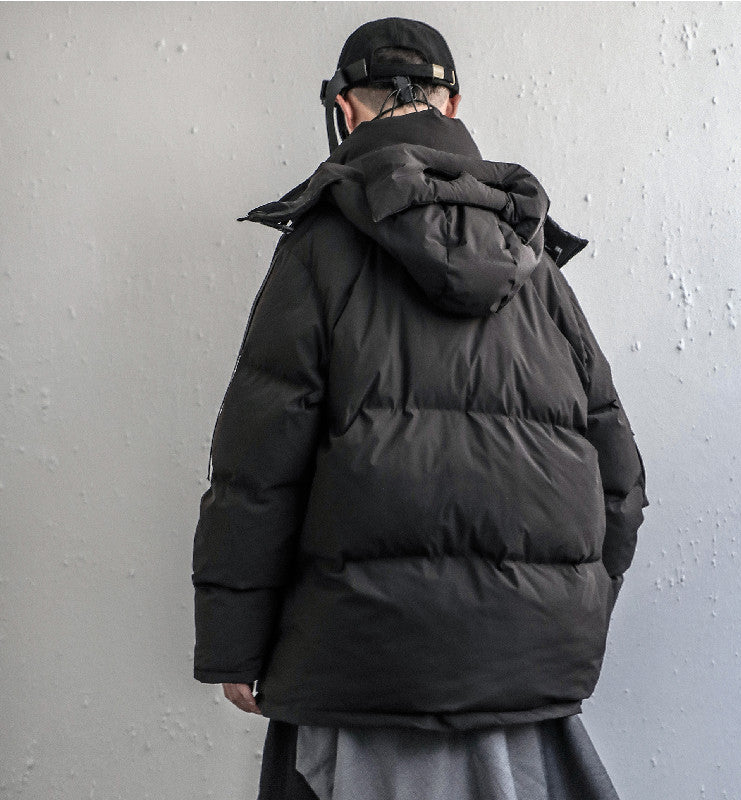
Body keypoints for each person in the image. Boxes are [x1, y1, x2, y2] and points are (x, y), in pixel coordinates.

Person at [192, 17, 648, 800]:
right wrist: (561, 613)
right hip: (524, 675)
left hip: (358, 671)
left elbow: (257, 473)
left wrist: (234, 645)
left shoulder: (319, 251)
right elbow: (621, 480)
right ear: (454, 104)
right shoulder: (535, 262)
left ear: (345, 111)